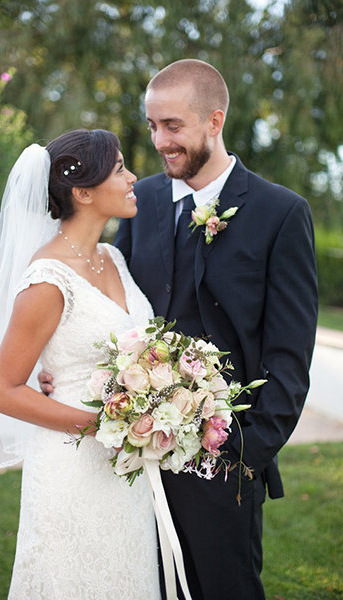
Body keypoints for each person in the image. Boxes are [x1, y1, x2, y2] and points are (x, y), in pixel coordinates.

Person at [112, 60, 318, 599]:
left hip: (224, 467)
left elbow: (290, 357)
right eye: (153, 125)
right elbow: (111, 307)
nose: (160, 141)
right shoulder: (140, 202)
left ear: (214, 120)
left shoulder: (280, 213)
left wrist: (243, 459)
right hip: (137, 457)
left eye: (173, 126)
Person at [0, 129, 161, 599]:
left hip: (126, 466)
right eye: (120, 169)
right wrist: (103, 425)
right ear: (82, 192)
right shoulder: (47, 279)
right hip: (73, 466)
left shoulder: (114, 258)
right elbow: (3, 391)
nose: (133, 178)